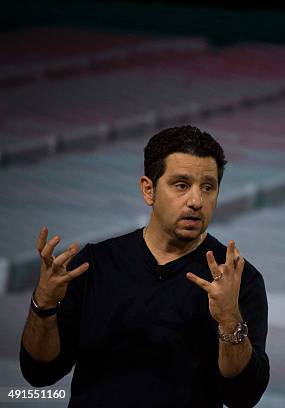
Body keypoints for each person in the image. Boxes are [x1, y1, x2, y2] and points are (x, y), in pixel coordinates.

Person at [19, 126, 270, 407]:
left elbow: (243, 396)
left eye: (208, 187)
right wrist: (43, 306)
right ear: (148, 190)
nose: (197, 201)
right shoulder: (93, 264)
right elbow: (39, 373)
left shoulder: (238, 278)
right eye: (181, 185)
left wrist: (229, 319)